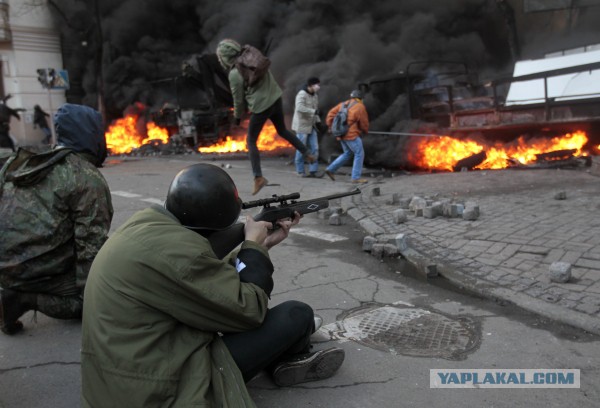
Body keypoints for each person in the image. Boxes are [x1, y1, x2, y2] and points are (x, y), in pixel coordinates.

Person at [81, 163, 345, 407]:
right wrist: (252, 248)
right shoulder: (180, 255)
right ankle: (289, 359)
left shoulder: (147, 226)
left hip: (118, 377)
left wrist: (262, 245)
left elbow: (201, 277)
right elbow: (250, 310)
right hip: (156, 390)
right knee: (297, 314)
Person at [0, 103, 113, 335]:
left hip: (5, 266)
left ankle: (9, 293)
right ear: (92, 135)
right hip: (37, 270)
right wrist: (92, 296)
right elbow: (91, 246)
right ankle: (23, 298)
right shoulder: (86, 177)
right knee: (104, 296)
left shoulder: (24, 162)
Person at [216, 39, 317, 195]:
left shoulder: (235, 74)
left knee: (251, 141)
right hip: (276, 98)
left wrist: (237, 116)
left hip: (262, 106)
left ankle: (258, 178)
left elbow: (238, 99)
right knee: (282, 130)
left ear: (225, 57)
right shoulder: (253, 56)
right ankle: (307, 154)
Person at [324, 89, 370, 184]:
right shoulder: (360, 106)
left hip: (340, 134)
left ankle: (330, 169)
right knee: (359, 153)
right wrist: (365, 131)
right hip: (351, 135)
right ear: (360, 98)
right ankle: (355, 178)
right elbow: (364, 123)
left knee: (347, 153)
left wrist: (330, 126)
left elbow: (330, 115)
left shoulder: (343, 104)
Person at [292, 76, 324, 178]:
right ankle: (300, 171)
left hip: (312, 125)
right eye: (317, 85)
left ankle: (313, 170)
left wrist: (318, 122)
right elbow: (299, 108)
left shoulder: (315, 96)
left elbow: (316, 109)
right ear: (310, 85)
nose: (319, 87)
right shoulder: (302, 94)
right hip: (302, 126)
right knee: (301, 148)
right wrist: (314, 112)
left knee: (315, 148)